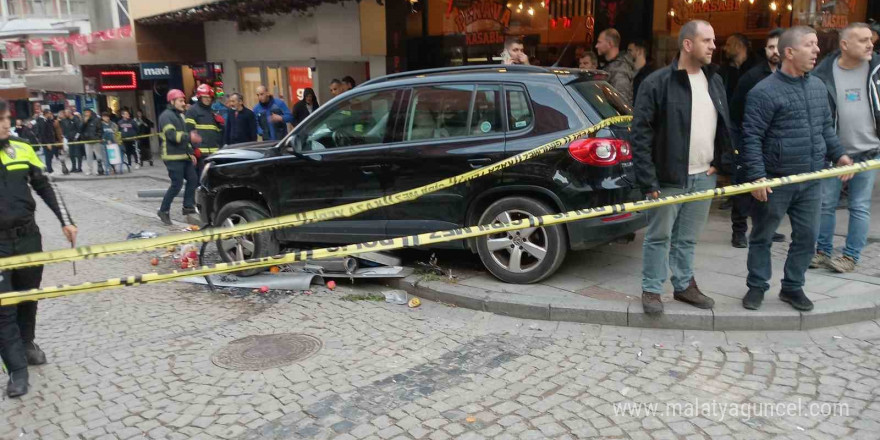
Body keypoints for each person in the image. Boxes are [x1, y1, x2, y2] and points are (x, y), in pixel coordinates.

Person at [739, 26, 853, 311]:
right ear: (789, 52)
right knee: (762, 236)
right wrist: (757, 176)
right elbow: (751, 136)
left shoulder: (817, 87)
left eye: (817, 45)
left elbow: (825, 128)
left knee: (807, 237)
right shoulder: (763, 92)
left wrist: (839, 155)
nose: (817, 51)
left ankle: (792, 287)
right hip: (775, 181)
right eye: (810, 45)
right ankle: (757, 286)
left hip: (811, 179)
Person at [631, 20, 730, 315]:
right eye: (707, 40)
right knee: (659, 236)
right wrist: (649, 181)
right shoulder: (657, 82)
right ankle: (651, 289)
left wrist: (721, 163)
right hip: (668, 179)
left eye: (714, 40)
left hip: (704, 176)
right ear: (688, 44)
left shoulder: (715, 80)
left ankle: (684, 285)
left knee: (687, 237)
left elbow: (725, 124)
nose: (714, 46)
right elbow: (640, 134)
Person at [0, 97, 77, 397]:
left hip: (29, 236)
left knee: (30, 294)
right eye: (1, 119)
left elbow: (45, 185)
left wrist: (65, 221)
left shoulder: (22, 148)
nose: (7, 123)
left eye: (7, 118)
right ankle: (16, 370)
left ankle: (27, 340)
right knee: (4, 308)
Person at [811, 23, 880, 273]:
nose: (870, 44)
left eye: (870, 39)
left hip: (870, 152)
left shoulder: (878, 69)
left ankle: (850, 256)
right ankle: (822, 251)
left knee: (859, 205)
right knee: (825, 204)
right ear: (844, 45)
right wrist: (836, 153)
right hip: (833, 153)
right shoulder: (822, 73)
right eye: (862, 40)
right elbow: (818, 118)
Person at [728, 28, 786, 248]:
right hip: (749, 140)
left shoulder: (789, 77)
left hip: (775, 146)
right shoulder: (751, 77)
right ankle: (739, 232)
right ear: (765, 50)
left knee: (770, 191)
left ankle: (765, 230)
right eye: (771, 47)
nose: (775, 51)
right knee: (743, 189)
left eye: (778, 47)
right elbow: (735, 111)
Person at [158, 89, 201, 226]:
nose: (184, 103)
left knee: (193, 179)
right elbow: (171, 135)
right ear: (172, 102)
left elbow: (184, 137)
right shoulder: (166, 116)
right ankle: (163, 210)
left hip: (184, 155)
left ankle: (188, 206)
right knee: (176, 185)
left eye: (184, 100)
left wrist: (191, 153)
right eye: (181, 101)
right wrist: (190, 137)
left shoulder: (181, 116)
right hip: (172, 156)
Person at [185, 84, 223, 173]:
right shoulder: (192, 111)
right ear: (199, 97)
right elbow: (188, 132)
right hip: (200, 154)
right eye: (205, 97)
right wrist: (193, 150)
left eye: (210, 97)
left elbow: (217, 133)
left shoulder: (212, 111)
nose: (208, 99)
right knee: (201, 180)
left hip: (213, 153)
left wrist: (221, 125)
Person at [595, 28, 635, 104]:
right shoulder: (612, 66)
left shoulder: (620, 70)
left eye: (599, 42)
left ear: (610, 44)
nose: (596, 46)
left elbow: (621, 101)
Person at [720, 33, 758, 104]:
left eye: (728, 45)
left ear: (739, 46)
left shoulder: (757, 68)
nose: (725, 48)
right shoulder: (723, 69)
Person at [79, 109, 104, 176]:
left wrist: (99, 137)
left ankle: (100, 168)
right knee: (88, 156)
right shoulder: (83, 119)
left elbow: (100, 129)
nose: (86, 113)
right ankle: (90, 169)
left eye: (87, 112)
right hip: (87, 140)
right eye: (85, 112)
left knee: (98, 155)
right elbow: (80, 129)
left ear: (90, 112)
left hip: (95, 140)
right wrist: (84, 122)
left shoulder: (96, 119)